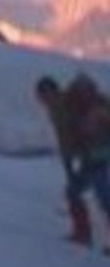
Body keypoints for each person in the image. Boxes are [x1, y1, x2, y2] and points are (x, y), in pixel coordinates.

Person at [36, 73, 110, 252]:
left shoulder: (60, 107)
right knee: (77, 193)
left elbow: (66, 140)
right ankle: (82, 233)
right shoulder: (67, 104)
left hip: (96, 155)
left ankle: (82, 234)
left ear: (48, 93)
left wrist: (69, 166)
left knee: (102, 198)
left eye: (41, 96)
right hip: (95, 154)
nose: (41, 101)